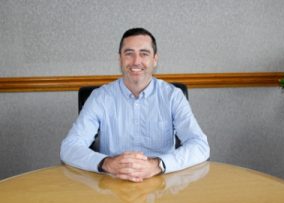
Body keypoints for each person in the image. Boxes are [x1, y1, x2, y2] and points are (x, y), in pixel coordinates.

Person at [60, 28, 210, 182]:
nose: (136, 61)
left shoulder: (173, 96)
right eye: (129, 53)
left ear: (155, 59)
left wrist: (157, 165)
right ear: (120, 59)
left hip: (161, 183)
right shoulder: (100, 97)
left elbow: (200, 145)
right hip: (113, 182)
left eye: (144, 53)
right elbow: (69, 147)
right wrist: (107, 163)